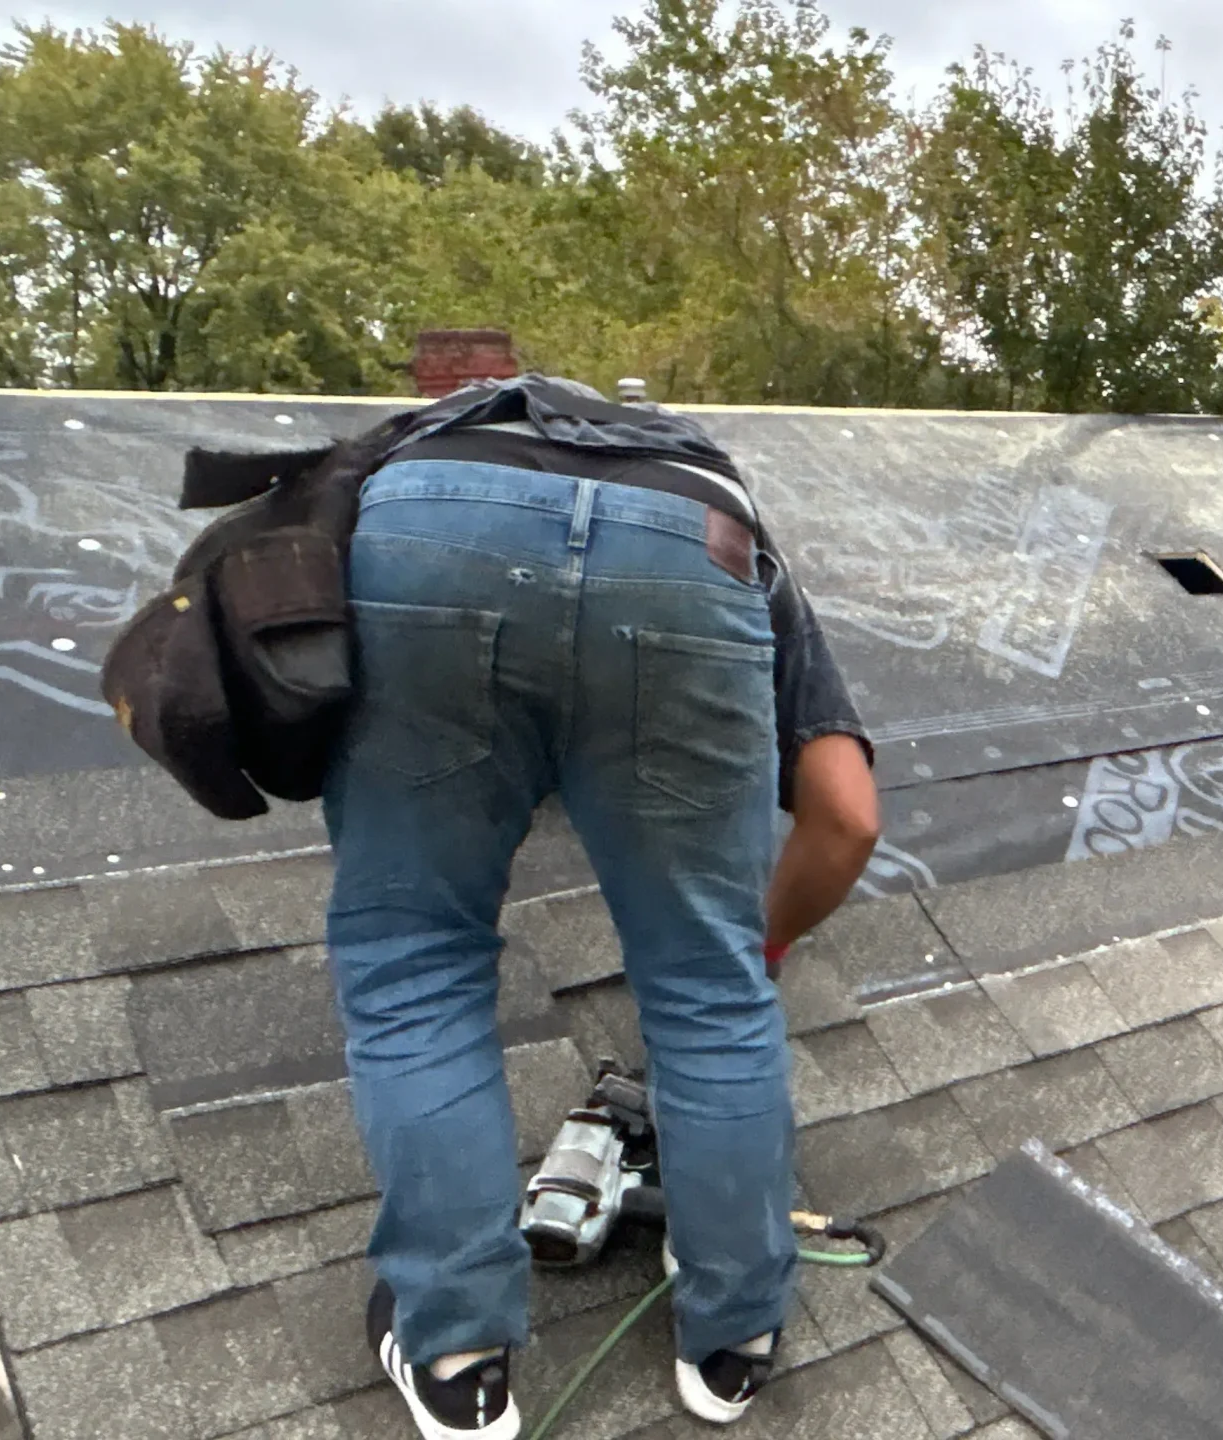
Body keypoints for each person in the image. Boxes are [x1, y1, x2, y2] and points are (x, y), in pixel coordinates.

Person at [330, 375, 879, 1436]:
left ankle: (459, 1359)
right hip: (684, 548)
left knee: (415, 961)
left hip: (430, 520)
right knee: (709, 988)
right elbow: (848, 817)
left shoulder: (442, 439)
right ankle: (732, 1336)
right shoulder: (730, 526)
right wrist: (752, 952)